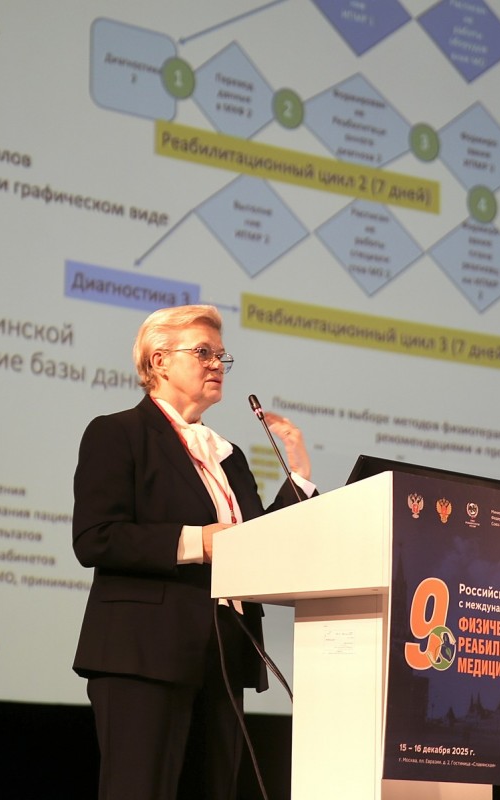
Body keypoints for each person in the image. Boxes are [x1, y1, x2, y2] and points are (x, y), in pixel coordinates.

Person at [71, 304, 315, 800]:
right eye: (203, 352)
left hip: (224, 653)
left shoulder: (228, 454)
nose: (216, 364)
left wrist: (299, 478)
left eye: (221, 356)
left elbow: (254, 541)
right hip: (145, 654)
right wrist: (196, 541)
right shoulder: (118, 433)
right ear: (159, 361)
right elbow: (95, 536)